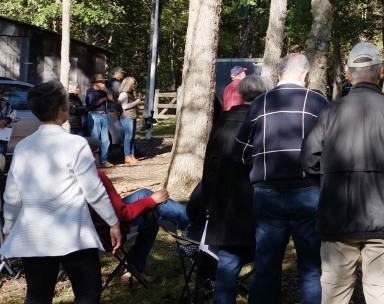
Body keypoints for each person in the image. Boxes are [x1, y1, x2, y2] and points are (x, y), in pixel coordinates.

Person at [301, 43, 384, 304]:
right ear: (380, 72)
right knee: (381, 296)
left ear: (349, 74)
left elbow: (309, 160)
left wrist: (331, 179)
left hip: (338, 217)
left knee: (334, 296)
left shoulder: (330, 112)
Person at [1, 80, 122, 304]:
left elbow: (12, 195)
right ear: (62, 109)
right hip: (74, 233)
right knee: (87, 293)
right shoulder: (75, 144)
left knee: (38, 295)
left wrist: (9, 226)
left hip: (35, 234)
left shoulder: (23, 147)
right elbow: (93, 191)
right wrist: (113, 222)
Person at [233, 54, 328, 304]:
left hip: (267, 191)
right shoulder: (318, 102)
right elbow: (332, 148)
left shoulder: (260, 103)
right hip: (308, 190)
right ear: (306, 76)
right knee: (311, 268)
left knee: (266, 265)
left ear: (278, 75)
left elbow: (240, 150)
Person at [202, 74, 268, 304]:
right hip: (255, 200)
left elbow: (209, 167)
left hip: (226, 202)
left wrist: (208, 202)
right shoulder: (264, 123)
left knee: (228, 263)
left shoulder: (223, 123)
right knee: (263, 262)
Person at [88, 137, 190, 284]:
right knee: (153, 210)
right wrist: (152, 201)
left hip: (91, 229)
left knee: (144, 193)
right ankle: (197, 228)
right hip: (108, 232)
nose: (97, 157)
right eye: (96, 153)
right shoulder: (97, 177)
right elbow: (121, 214)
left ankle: (132, 271)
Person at [86, 74, 114, 168]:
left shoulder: (104, 91)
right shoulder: (90, 91)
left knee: (106, 140)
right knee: (95, 139)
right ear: (95, 83)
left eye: (103, 82)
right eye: (100, 82)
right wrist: (102, 100)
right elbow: (90, 105)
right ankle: (95, 161)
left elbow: (111, 99)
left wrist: (106, 91)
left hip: (104, 115)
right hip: (94, 115)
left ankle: (104, 160)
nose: (103, 83)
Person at [118, 77, 142, 165]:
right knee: (128, 137)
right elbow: (124, 107)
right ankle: (127, 156)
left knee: (132, 137)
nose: (135, 86)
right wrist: (136, 102)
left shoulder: (130, 94)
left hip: (132, 117)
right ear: (129, 84)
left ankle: (132, 155)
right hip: (126, 117)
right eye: (133, 84)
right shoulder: (123, 94)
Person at [0, 85, 17, 157]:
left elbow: (13, 112)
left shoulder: (7, 104)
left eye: (1, 92)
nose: (0, 94)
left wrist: (7, 120)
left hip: (3, 135)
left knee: (2, 155)